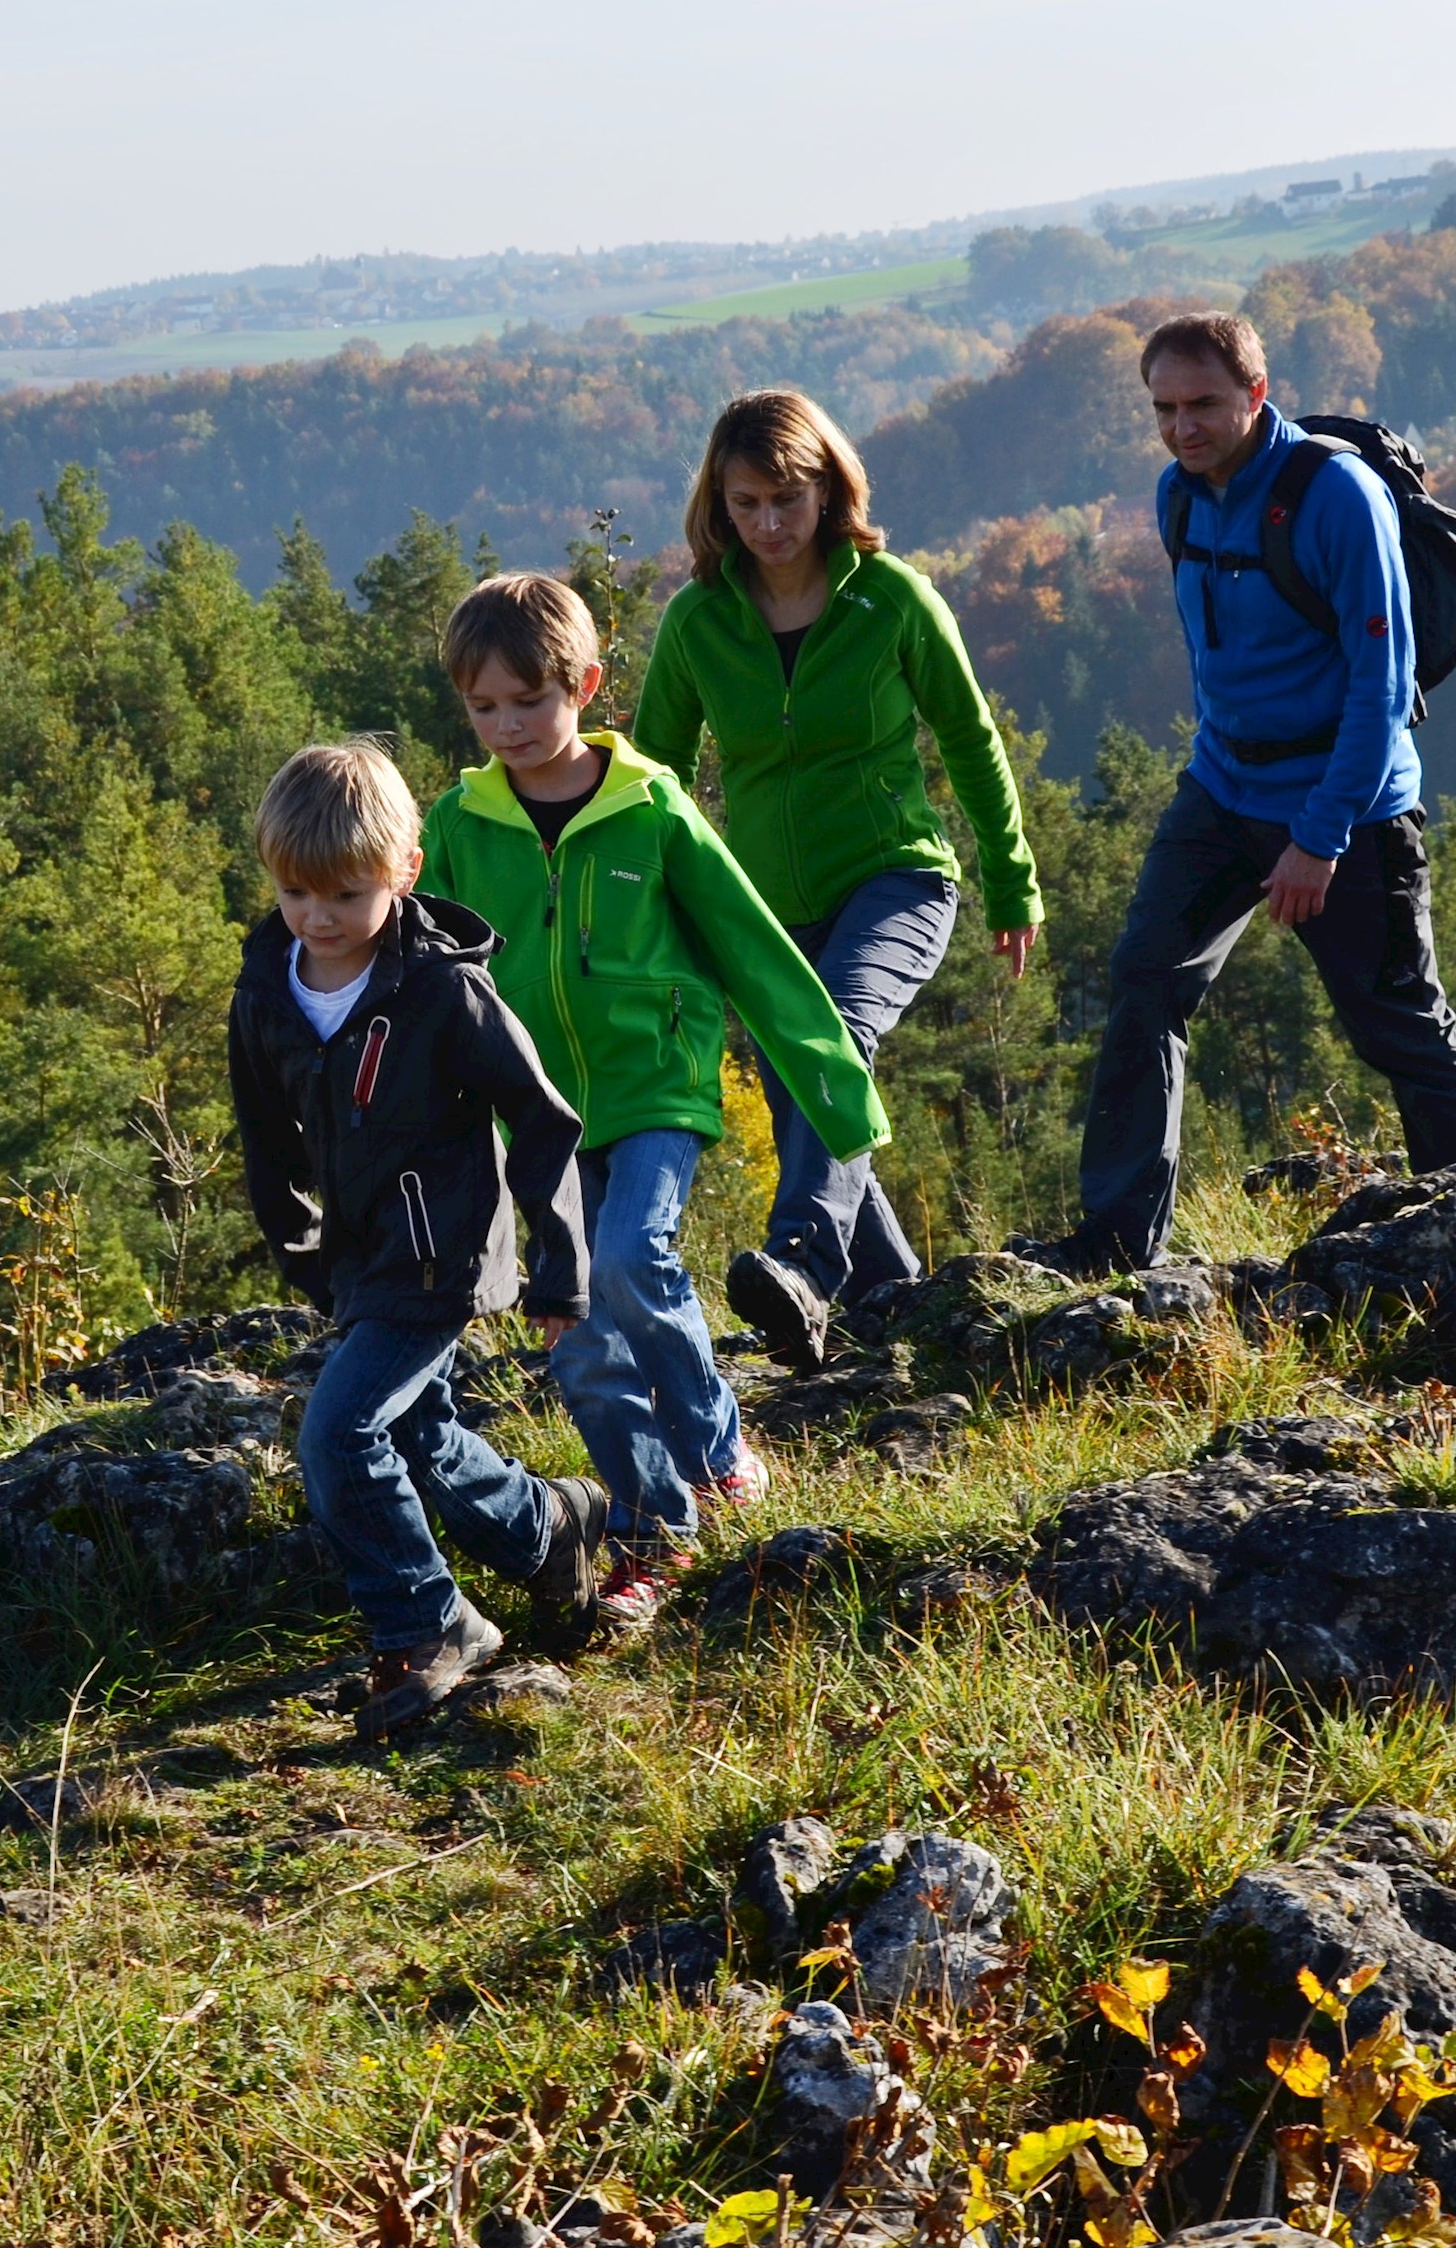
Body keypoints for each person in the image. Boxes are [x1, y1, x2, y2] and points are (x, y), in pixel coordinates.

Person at [420, 572, 891, 1636]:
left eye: (528, 701)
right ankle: (652, 1522)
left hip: (653, 1091)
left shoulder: (651, 805)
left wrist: (831, 1077)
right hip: (533, 1121)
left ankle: (720, 1454)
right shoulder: (458, 823)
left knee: (632, 1258)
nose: (507, 727)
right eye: (483, 707)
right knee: (576, 1326)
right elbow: (421, 975)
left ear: (583, 684)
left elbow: (749, 942)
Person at [1070, 312, 1456, 1265]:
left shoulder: (1333, 495)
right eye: (1165, 408)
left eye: (1204, 405)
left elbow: (1381, 687)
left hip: (1348, 806)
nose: (1183, 428)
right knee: (1146, 981)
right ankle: (1114, 1241)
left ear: (1255, 395)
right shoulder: (1178, 498)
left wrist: (1317, 837)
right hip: (1222, 790)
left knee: (1396, 1022)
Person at [631, 389, 1043, 1371]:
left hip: (896, 877)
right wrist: (645, 916)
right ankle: (896, 1324)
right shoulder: (697, 623)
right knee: (819, 1104)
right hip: (762, 916)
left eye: (787, 498)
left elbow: (971, 741)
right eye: (746, 504)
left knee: (838, 1031)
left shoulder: (891, 598)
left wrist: (1012, 878)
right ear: (718, 507)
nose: (769, 524)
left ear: (828, 488)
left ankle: (804, 1261)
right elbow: (652, 777)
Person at [228, 742, 606, 1736]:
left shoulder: (442, 990)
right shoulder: (269, 989)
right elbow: (266, 1139)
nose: (317, 916)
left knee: (338, 1433)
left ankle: (431, 1621)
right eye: (295, 891)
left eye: (345, 894)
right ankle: (553, 1526)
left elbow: (542, 1118)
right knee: (415, 1433)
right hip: (359, 1261)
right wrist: (299, 1249)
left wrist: (558, 1265)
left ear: (405, 870)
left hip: (441, 1259)